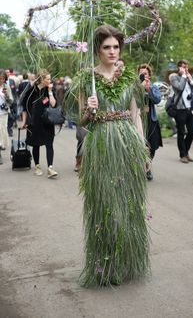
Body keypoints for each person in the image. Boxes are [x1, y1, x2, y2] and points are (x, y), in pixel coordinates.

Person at [68, 24, 150, 287]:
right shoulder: (86, 80)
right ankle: (105, 264)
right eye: (107, 47)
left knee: (128, 204)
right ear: (97, 50)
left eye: (116, 47)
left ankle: (128, 260)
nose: (112, 52)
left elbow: (135, 115)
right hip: (101, 146)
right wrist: (90, 109)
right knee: (105, 205)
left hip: (128, 146)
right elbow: (80, 121)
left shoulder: (128, 78)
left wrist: (142, 147)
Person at [21, 69, 58, 178]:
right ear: (41, 80)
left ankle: (50, 168)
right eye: (48, 79)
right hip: (34, 122)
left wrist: (50, 91)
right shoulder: (31, 91)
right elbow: (25, 107)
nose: (50, 81)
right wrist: (24, 122)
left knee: (49, 144)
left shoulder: (49, 90)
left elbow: (53, 104)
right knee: (36, 144)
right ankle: (37, 166)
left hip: (47, 122)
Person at [137, 64, 163, 180]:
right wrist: (140, 88)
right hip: (138, 119)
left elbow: (157, 100)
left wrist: (148, 90)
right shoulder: (135, 87)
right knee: (140, 145)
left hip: (150, 119)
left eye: (145, 73)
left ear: (149, 75)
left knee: (152, 146)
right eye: (141, 73)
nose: (143, 75)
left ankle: (148, 165)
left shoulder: (153, 87)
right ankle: (140, 167)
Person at [169, 60, 193, 163]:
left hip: (190, 109)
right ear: (179, 68)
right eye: (183, 67)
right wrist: (184, 77)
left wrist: (191, 81)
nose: (186, 69)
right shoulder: (174, 77)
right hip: (180, 109)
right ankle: (182, 155)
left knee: (192, 132)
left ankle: (186, 152)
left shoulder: (188, 78)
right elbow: (180, 87)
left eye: (187, 67)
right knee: (181, 132)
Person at [0, 69, 13, 164]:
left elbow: (11, 101)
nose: (1, 80)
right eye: (0, 78)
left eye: (3, 79)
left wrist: (7, 96)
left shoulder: (6, 87)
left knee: (3, 130)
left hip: (3, 112)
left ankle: (1, 145)